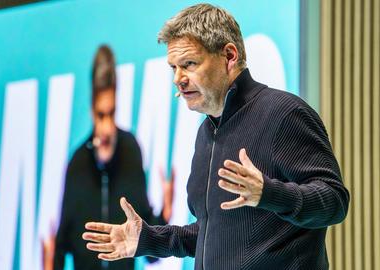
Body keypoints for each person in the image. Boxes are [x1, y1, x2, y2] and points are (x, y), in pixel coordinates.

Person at [82, 4, 350, 270]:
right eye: (173, 68)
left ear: (229, 56)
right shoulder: (206, 132)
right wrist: (148, 239)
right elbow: (210, 236)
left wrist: (269, 193)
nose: (178, 78)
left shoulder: (284, 114)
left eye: (189, 64)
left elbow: (334, 201)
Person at [48, 45, 174, 270]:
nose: (106, 128)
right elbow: (61, 243)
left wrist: (164, 215)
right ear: (91, 111)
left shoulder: (130, 150)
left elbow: (150, 252)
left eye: (112, 113)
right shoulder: (77, 163)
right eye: (100, 115)